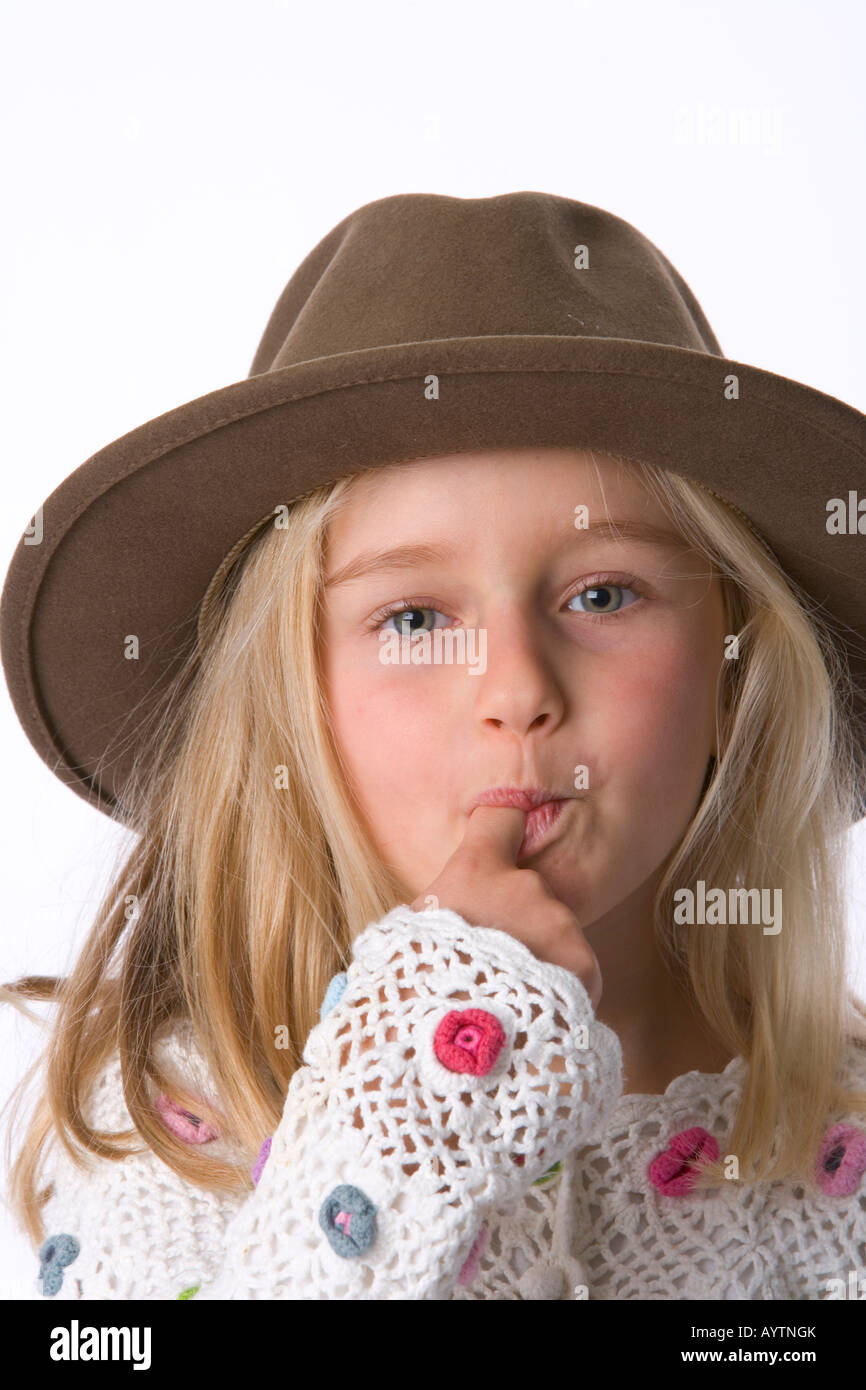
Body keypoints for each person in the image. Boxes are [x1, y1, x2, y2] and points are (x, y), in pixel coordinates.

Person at [1, 191, 866, 1301]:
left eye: (603, 593)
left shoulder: (830, 1146)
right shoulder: (174, 1133)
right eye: (414, 618)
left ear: (730, 676)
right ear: (294, 706)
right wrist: (419, 1079)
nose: (514, 689)